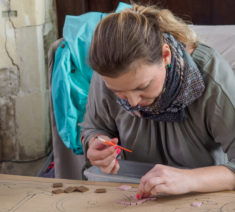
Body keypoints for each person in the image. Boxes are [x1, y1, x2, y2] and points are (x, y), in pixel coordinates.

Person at [80, 4, 235, 198]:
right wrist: (96, 144)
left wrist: (188, 179)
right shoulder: (107, 75)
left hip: (201, 197)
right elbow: (93, 127)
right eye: (119, 93)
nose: (133, 103)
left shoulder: (212, 77)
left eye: (142, 87)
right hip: (134, 193)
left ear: (166, 55)